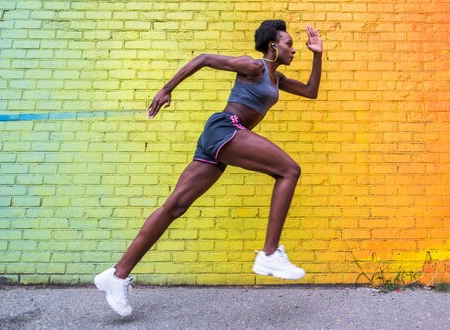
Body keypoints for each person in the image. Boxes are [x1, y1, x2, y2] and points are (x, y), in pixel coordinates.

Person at [94, 20, 323, 317]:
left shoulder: (276, 78)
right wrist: (166, 89)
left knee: (174, 207)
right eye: (290, 44)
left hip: (221, 140)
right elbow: (203, 59)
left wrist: (318, 54)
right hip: (226, 130)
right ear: (273, 46)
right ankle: (269, 254)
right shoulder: (252, 66)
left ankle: (116, 275)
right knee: (288, 170)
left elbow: (311, 91)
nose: (295, 49)